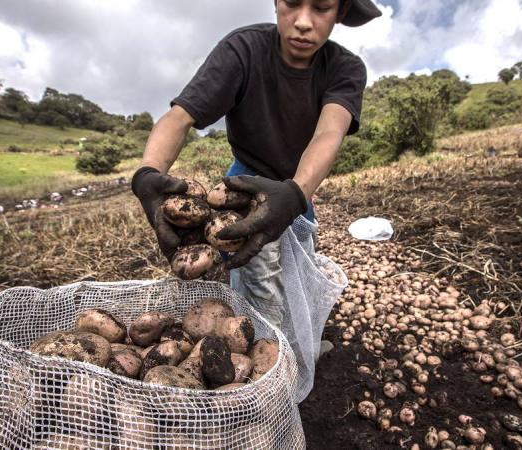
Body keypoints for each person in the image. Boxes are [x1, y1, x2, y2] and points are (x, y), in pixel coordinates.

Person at [132, 0, 379, 338]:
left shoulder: (344, 68)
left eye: (322, 7)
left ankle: (291, 341)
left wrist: (294, 195)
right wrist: (147, 173)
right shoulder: (243, 50)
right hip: (244, 184)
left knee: (299, 265)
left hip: (298, 185)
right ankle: (268, 350)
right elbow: (181, 116)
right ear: (276, 2)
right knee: (259, 281)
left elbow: (328, 133)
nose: (303, 22)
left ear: (341, 12)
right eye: (292, 3)